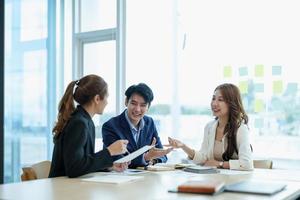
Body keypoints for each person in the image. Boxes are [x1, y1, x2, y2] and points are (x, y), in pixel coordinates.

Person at [49, 74, 129, 178]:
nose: (107, 102)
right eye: (107, 97)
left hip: (70, 186)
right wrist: (110, 151)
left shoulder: (85, 120)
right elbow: (74, 168)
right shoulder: (79, 123)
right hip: (62, 188)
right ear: (97, 99)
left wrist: (109, 166)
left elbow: (83, 162)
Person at [167, 83, 253, 170]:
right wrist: (183, 146)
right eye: (213, 98)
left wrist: (220, 164)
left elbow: (247, 163)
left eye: (220, 100)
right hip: (214, 178)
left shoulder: (240, 129)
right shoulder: (209, 127)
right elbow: (203, 158)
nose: (214, 103)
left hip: (235, 180)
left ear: (231, 103)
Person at [102, 83, 172, 168]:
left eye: (143, 105)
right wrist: (146, 157)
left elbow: (162, 155)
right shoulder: (110, 126)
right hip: (120, 178)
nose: (137, 109)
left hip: (145, 179)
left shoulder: (149, 123)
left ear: (148, 107)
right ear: (126, 102)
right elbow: (118, 161)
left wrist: (152, 160)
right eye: (133, 103)